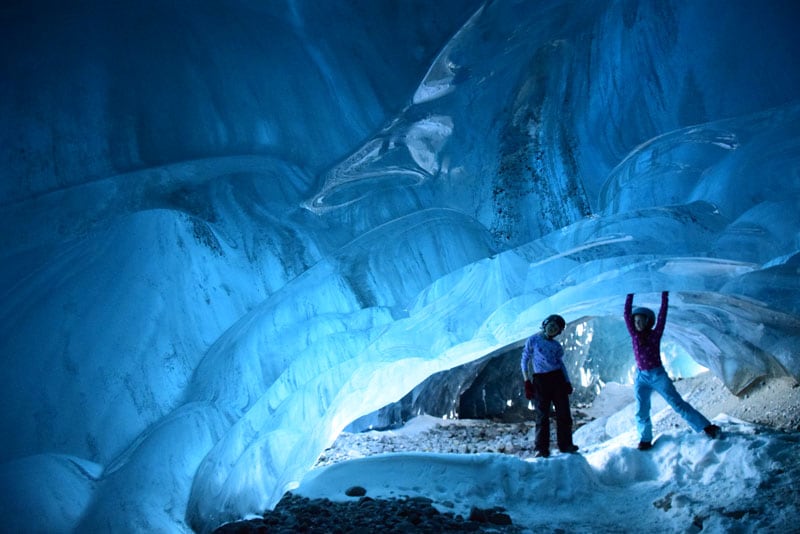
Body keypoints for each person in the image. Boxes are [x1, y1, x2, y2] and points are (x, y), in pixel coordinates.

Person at [624, 291, 721, 450]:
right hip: (641, 376)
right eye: (636, 321)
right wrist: (630, 295)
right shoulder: (634, 335)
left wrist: (665, 296)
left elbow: (662, 316)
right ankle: (645, 440)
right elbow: (626, 315)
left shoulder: (655, 334)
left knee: (677, 404)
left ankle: (707, 427)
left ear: (648, 322)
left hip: (657, 375)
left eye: (641, 321)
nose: (637, 324)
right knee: (641, 410)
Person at [520, 314, 579, 457]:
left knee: (564, 413)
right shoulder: (533, 340)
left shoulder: (557, 346)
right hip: (540, 380)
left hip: (557, 378)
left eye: (556, 328)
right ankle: (541, 449)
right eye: (551, 325)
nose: (552, 329)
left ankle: (566, 445)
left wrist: (567, 381)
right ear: (545, 324)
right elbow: (524, 360)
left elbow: (561, 364)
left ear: (558, 332)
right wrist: (527, 381)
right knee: (542, 415)